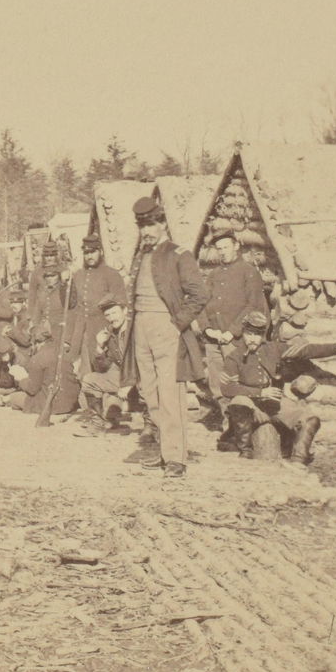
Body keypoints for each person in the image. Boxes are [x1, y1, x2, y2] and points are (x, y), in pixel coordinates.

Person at [121, 196, 209, 479]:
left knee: (171, 394)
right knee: (150, 394)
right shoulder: (140, 256)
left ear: (162, 224)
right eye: (142, 226)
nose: (146, 231)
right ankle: (163, 451)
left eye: (150, 225)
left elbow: (199, 294)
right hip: (141, 327)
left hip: (166, 327)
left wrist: (177, 323)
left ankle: (176, 457)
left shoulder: (179, 254)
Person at [219, 310, 336, 464]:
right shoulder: (233, 357)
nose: (253, 339)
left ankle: (298, 460)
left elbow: (306, 351)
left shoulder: (273, 349)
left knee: (310, 420)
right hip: (251, 406)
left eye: (257, 335)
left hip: (274, 403)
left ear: (262, 336)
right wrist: (260, 392)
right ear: (243, 333)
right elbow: (227, 388)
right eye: (249, 334)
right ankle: (246, 450)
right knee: (238, 403)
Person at [199, 232, 270, 428]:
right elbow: (201, 304)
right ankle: (227, 423)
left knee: (235, 380)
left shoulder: (249, 272)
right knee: (216, 383)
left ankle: (241, 425)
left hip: (235, 340)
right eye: (219, 248)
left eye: (226, 247)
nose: (222, 252)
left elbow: (253, 305)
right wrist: (207, 329)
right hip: (214, 338)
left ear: (236, 246)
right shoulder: (213, 275)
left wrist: (232, 331)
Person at [66, 235, 126, 378]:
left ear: (101, 251)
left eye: (93, 252)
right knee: (81, 371)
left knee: (103, 370)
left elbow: (121, 304)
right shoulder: (78, 275)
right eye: (86, 253)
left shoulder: (111, 274)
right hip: (81, 332)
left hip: (102, 329)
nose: (89, 256)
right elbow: (72, 305)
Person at [79, 297, 134, 433]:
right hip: (122, 377)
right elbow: (103, 368)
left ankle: (151, 427)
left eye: (114, 313)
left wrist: (128, 384)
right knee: (89, 380)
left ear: (125, 311)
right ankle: (98, 423)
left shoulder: (136, 330)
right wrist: (99, 347)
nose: (111, 318)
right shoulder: (110, 332)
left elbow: (143, 362)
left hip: (142, 377)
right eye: (107, 315)